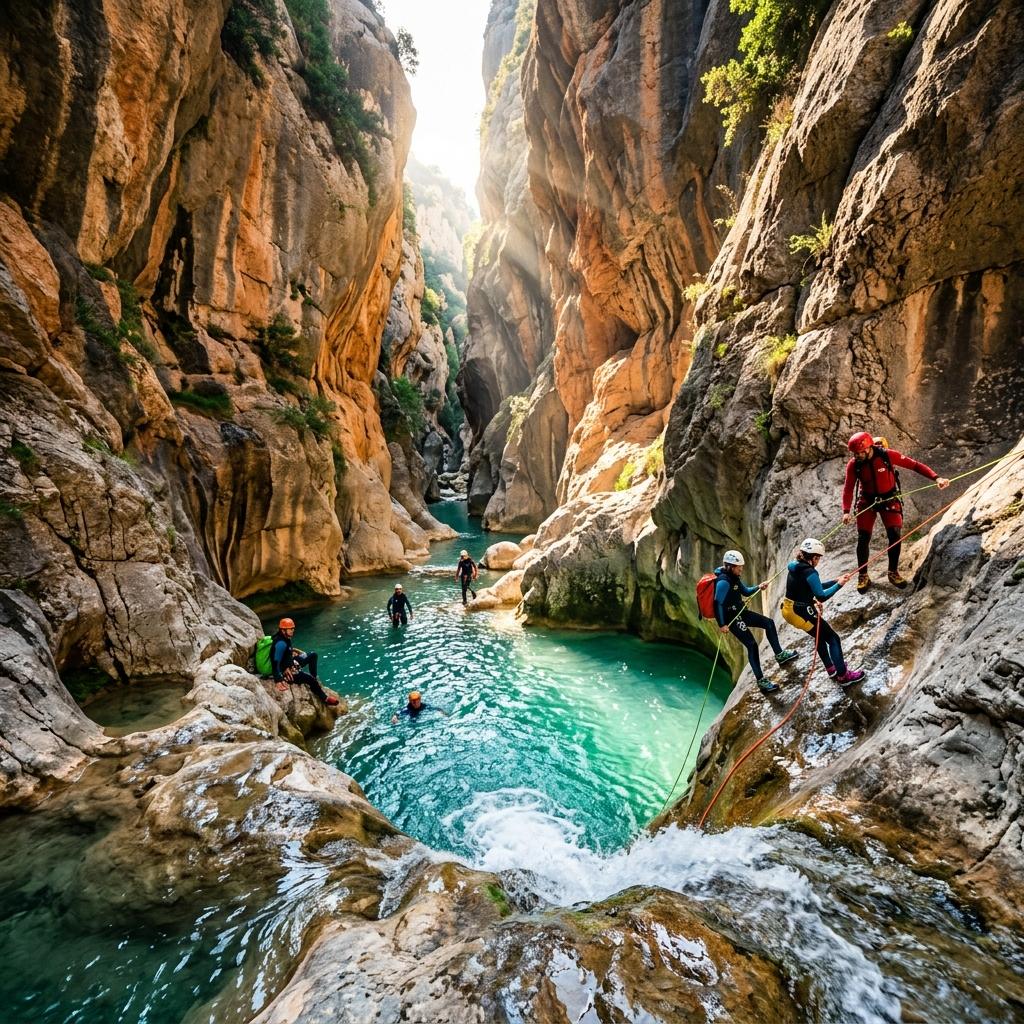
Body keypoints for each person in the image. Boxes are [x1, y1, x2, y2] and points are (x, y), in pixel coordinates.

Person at [842, 432, 949, 591]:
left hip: (889, 499)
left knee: (895, 535)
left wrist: (936, 478)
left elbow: (915, 465)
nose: (857, 455)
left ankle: (893, 572)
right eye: (854, 453)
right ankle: (863, 575)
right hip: (867, 501)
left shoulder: (887, 455)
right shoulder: (854, 464)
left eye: (859, 452)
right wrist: (846, 511)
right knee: (863, 537)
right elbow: (848, 488)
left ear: (868, 447)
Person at [781, 538, 864, 686]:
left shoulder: (795, 566)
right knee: (833, 638)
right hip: (799, 611)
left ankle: (831, 667)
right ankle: (843, 676)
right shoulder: (809, 571)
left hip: (789, 608)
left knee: (818, 635)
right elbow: (821, 595)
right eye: (818, 558)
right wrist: (839, 585)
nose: (818, 561)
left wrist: (836, 580)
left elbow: (813, 587)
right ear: (814, 557)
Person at [714, 550, 797, 695]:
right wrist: (722, 624)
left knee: (769, 623)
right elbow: (717, 604)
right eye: (739, 567)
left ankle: (780, 655)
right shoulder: (723, 582)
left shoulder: (734, 577)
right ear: (731, 567)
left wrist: (758, 587)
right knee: (752, 645)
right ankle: (761, 681)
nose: (741, 569)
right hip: (732, 619)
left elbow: (745, 591)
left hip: (741, 613)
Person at [270, 617, 339, 706]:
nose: (292, 631)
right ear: (283, 630)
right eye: (290, 629)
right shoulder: (280, 643)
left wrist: (293, 652)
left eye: (293, 629)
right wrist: (278, 679)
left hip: (292, 663)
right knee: (309, 679)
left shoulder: (285, 638)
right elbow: (275, 661)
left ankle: (314, 678)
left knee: (313, 655)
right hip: (288, 673)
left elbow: (286, 651)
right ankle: (324, 698)